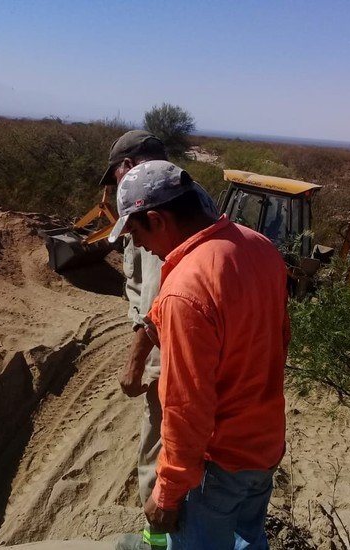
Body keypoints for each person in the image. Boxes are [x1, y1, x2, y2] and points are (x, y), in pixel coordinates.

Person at [108, 160, 289, 550]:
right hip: (264, 446)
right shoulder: (260, 248)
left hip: (216, 464)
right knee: (249, 542)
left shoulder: (186, 288)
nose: (137, 245)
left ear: (156, 220)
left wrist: (168, 492)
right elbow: (280, 341)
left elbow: (187, 406)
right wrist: (136, 360)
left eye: (135, 232)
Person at [100, 131, 216, 550]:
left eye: (116, 176)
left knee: (165, 451)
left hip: (171, 355)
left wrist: (136, 362)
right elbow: (140, 290)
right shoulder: (188, 202)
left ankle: (162, 541)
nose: (116, 187)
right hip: (170, 346)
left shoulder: (158, 214)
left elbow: (160, 301)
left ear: (128, 166)